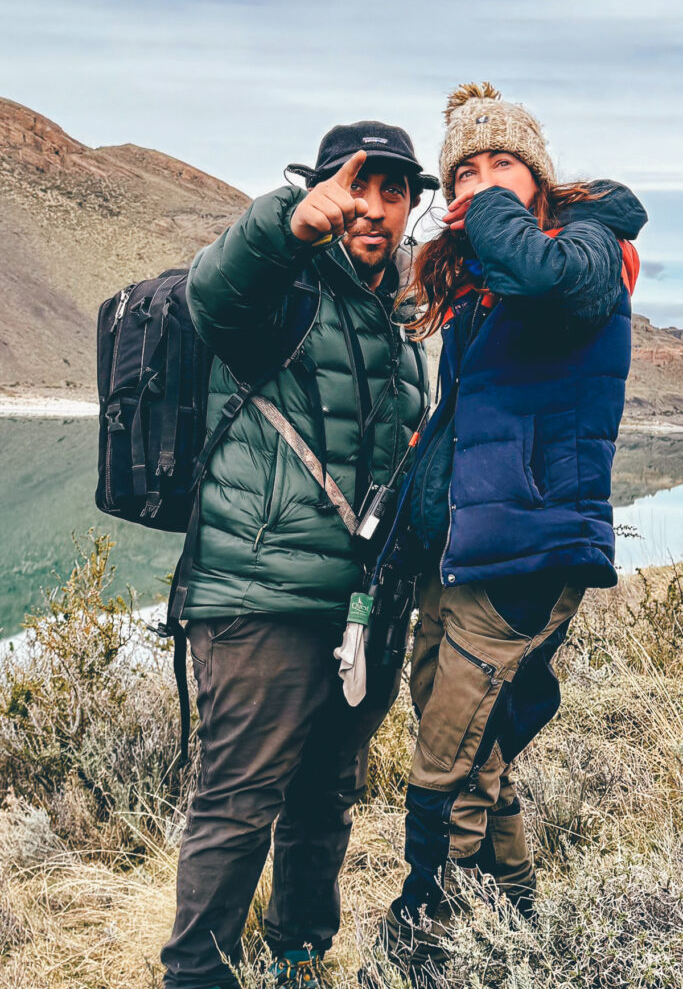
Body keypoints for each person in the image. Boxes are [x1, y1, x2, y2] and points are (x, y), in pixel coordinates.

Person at [367, 83, 647, 986]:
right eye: (466, 171)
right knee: (472, 742)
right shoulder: (480, 288)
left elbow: (545, 276)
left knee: (445, 749)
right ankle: (515, 913)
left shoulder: (588, 249)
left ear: (539, 176)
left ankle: (424, 929)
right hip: (457, 549)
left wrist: (482, 204)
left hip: (529, 544)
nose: (483, 184)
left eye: (503, 165)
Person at [160, 121, 437, 989]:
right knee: (239, 801)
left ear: (409, 208)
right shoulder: (278, 290)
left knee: (325, 796)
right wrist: (286, 220)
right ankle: (196, 975)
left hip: (356, 609)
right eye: (359, 188)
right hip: (259, 596)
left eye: (394, 193)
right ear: (325, 189)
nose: (374, 209)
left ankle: (298, 957)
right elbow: (216, 288)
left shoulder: (396, 321)